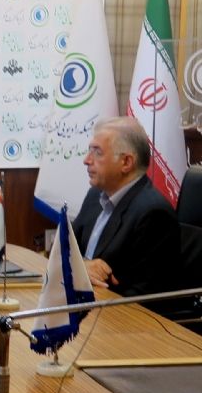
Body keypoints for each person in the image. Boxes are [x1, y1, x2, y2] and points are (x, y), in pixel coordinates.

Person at [72, 116, 183, 314]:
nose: (86, 160)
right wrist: (82, 268)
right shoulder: (95, 195)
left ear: (126, 162)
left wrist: (79, 273)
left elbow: (147, 298)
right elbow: (65, 248)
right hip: (81, 304)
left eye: (97, 152)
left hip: (119, 320)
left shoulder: (153, 214)